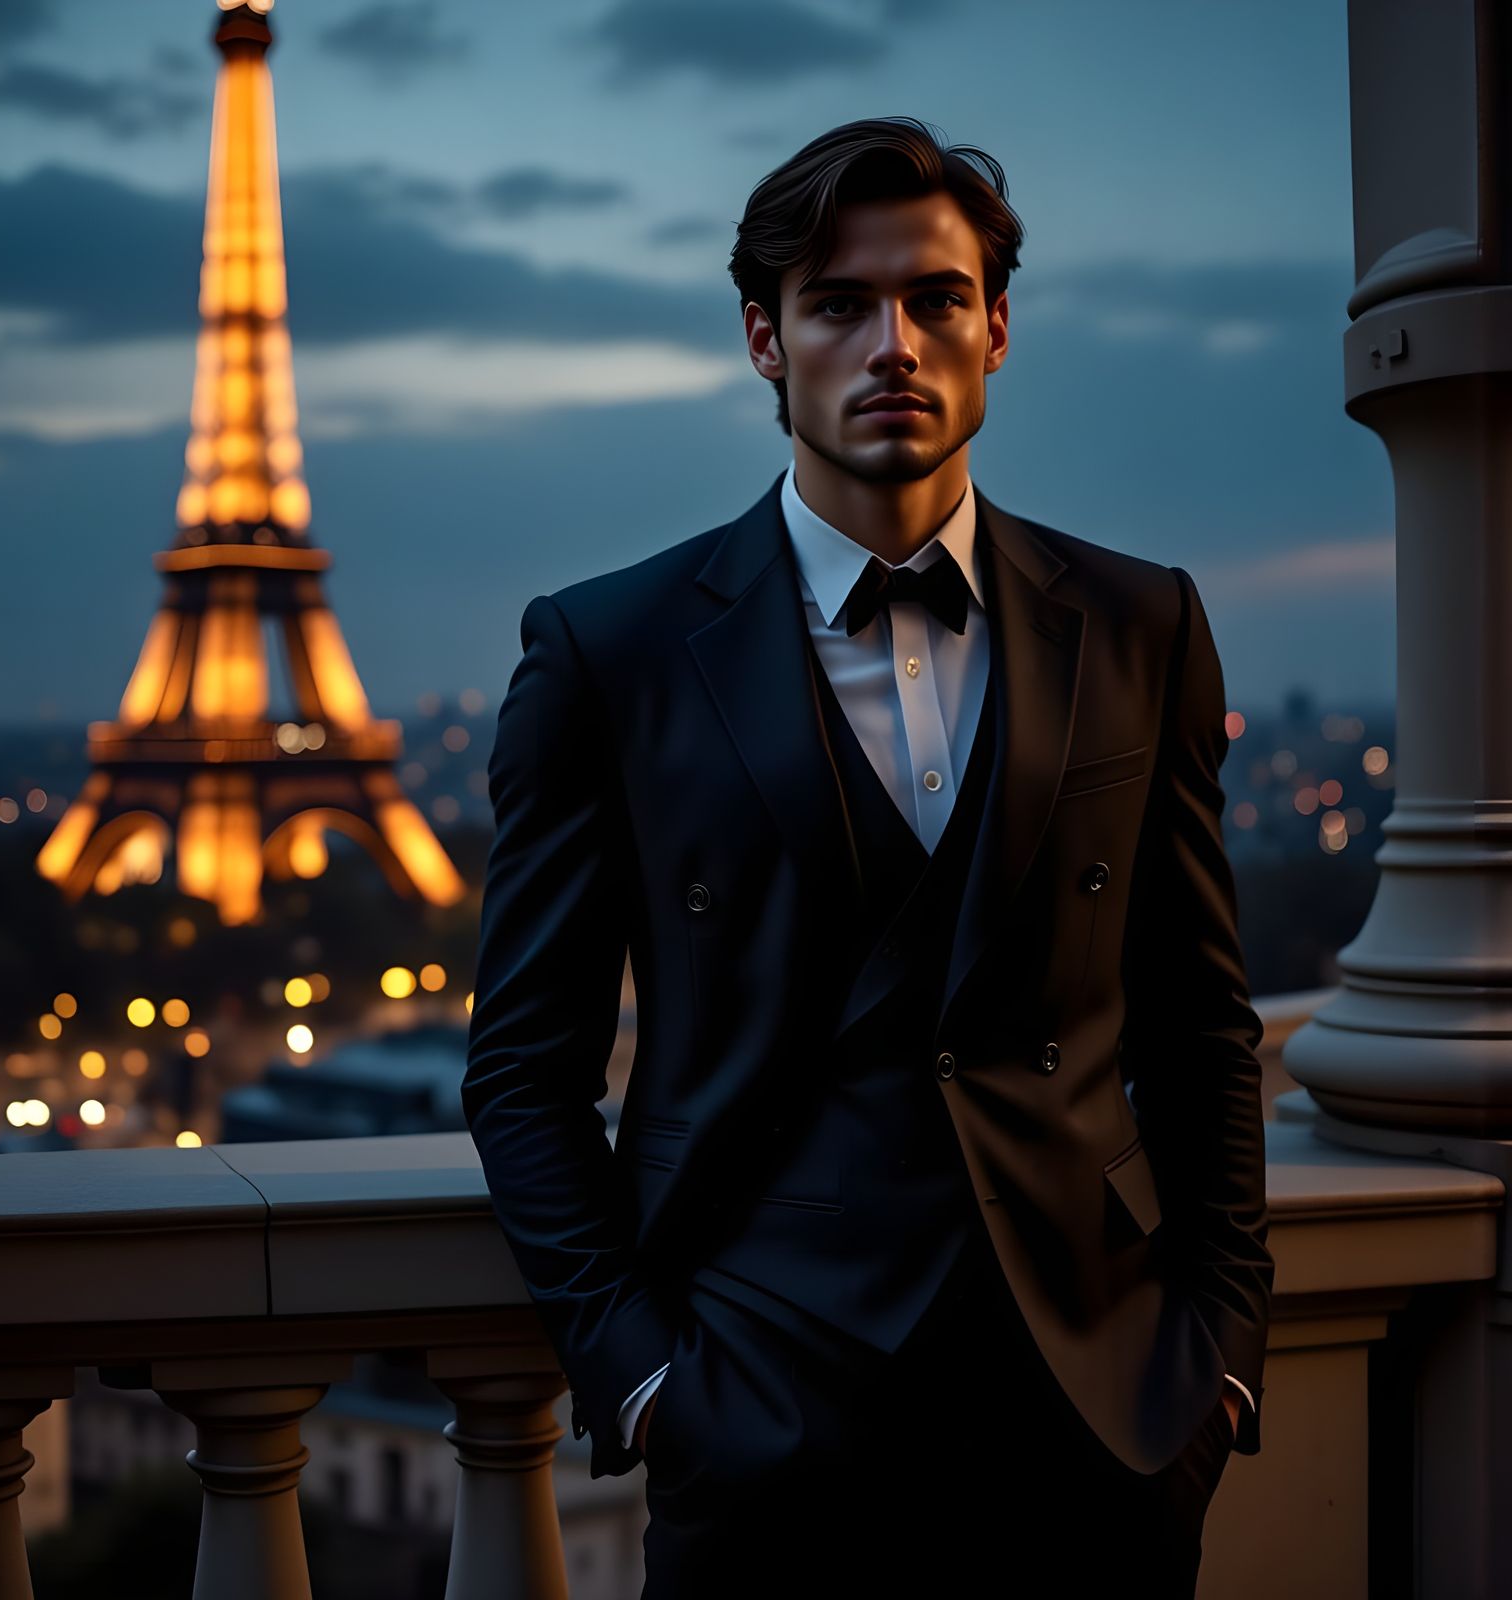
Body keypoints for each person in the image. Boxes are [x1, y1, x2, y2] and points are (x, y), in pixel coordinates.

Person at [462, 115, 1273, 1597]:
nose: (892, 342)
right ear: (765, 341)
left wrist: (1212, 1358)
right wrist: (645, 1381)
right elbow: (524, 1066)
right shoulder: (610, 653)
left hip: (1094, 1418)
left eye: (935, 299)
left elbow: (1201, 1024)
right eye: (839, 304)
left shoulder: (1142, 624)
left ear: (998, 328)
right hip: (764, 1412)